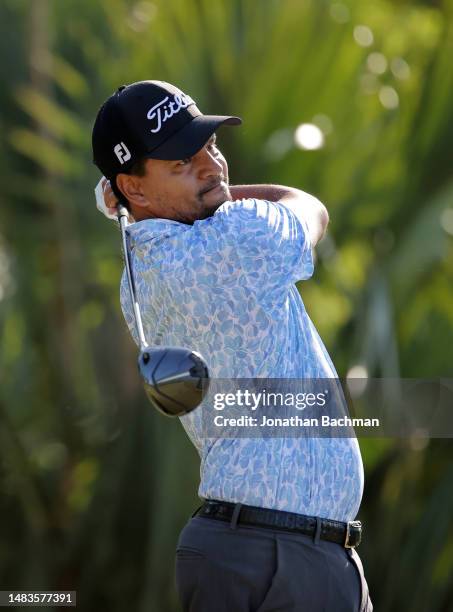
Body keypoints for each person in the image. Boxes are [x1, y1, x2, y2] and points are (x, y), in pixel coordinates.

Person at [92, 80, 373, 611]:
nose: (213, 167)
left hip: (280, 553)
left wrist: (126, 200)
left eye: (210, 147)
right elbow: (306, 205)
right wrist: (215, 197)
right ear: (134, 187)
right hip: (273, 559)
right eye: (182, 162)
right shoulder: (236, 244)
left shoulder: (139, 271)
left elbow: (171, 201)